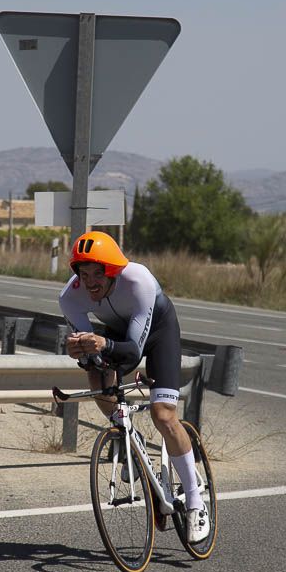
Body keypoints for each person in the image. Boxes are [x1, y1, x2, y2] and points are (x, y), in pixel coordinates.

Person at [59, 230, 209, 543]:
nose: (89, 283)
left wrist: (101, 343)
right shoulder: (70, 297)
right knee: (95, 374)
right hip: (118, 333)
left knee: (163, 415)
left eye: (96, 274)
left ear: (112, 271)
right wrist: (81, 352)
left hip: (156, 334)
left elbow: (132, 354)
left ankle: (196, 501)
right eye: (83, 275)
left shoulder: (138, 280)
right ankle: (129, 437)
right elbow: (92, 357)